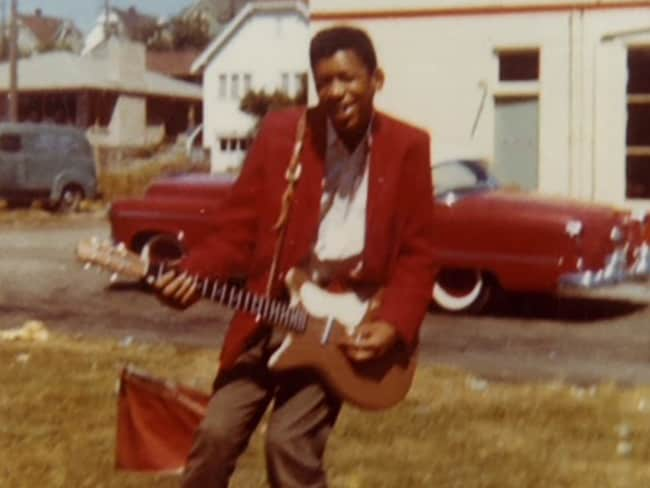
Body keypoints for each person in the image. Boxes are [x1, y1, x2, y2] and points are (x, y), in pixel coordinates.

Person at [155, 25, 436, 488]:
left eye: (348, 79)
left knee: (290, 445)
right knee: (215, 435)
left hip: (339, 326)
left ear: (376, 79)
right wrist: (191, 273)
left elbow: (418, 254)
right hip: (269, 314)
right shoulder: (284, 134)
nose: (337, 92)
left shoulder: (407, 147)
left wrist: (393, 323)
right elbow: (237, 232)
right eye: (324, 81)